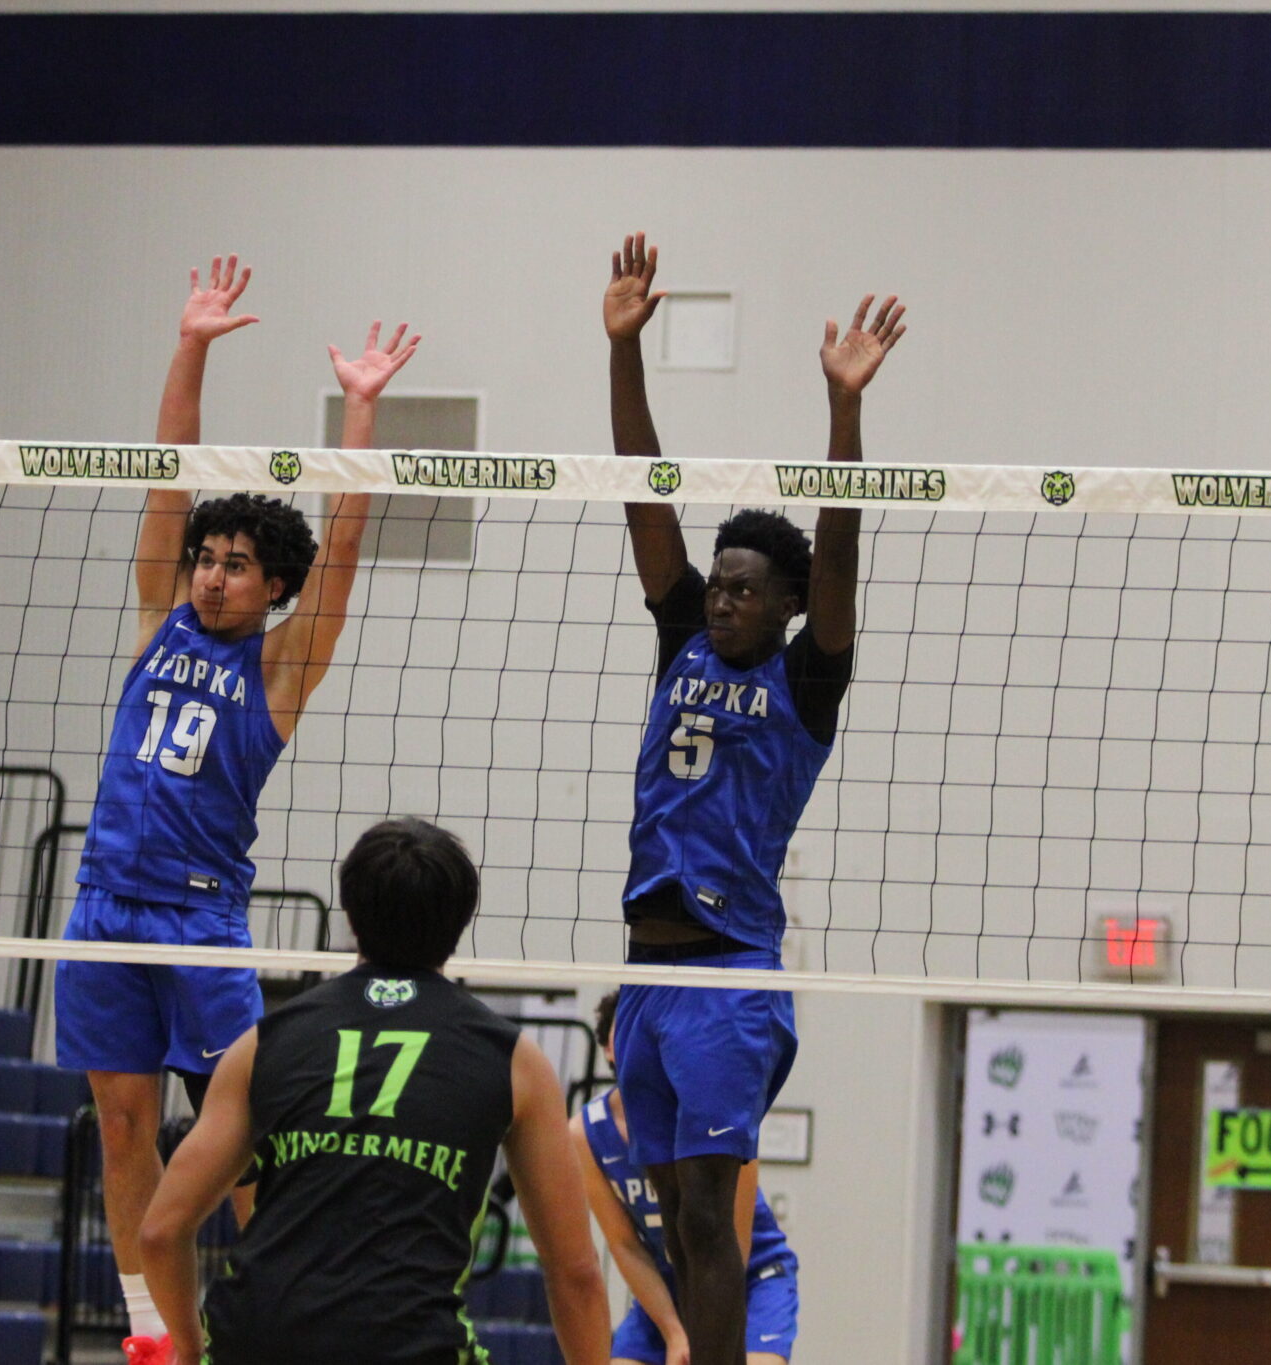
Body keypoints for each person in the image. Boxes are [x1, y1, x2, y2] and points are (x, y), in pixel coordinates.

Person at [55, 255, 420, 1362]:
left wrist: (359, 409)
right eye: (207, 559)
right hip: (103, 908)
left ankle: (272, 1322)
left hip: (200, 921)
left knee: (245, 1140)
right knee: (121, 1124)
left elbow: (346, 545)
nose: (212, 576)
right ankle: (149, 1328)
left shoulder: (278, 670)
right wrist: (191, 345)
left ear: (273, 588)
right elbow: (169, 473)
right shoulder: (159, 617)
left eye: (238, 565)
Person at [602, 231, 904, 1365]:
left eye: (743, 590)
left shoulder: (804, 677)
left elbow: (839, 548)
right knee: (675, 1227)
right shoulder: (680, 637)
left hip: (728, 976)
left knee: (713, 1229)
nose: (721, 600)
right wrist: (620, 352)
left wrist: (842, 413)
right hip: (642, 974)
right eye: (716, 584)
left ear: (781, 607)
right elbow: (640, 489)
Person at [139, 817, 609, 1365]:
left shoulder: (262, 1043)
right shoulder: (515, 1062)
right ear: (460, 922)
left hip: (255, 1339)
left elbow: (160, 1232)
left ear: (350, 914)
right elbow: (575, 1272)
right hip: (408, 1344)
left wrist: (192, 1353)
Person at [573, 993, 798, 1365]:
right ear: (609, 1049)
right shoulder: (584, 1133)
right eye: (625, 1029)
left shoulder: (715, 1113)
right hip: (667, 1284)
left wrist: (707, 1329)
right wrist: (675, 1332)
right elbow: (624, 1245)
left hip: (749, 1276)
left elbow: (733, 1245)